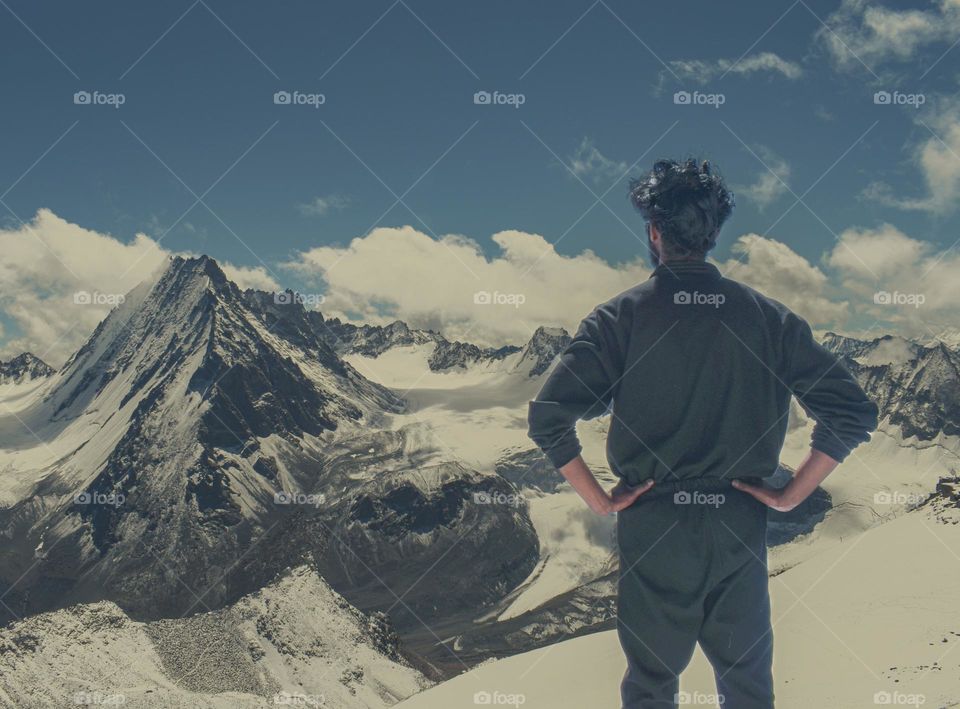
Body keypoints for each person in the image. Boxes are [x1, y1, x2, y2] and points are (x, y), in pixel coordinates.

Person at [526, 158, 879, 708]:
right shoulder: (770, 319)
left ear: (653, 231)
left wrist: (599, 499)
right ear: (714, 234)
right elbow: (853, 413)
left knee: (650, 686)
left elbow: (548, 416)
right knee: (747, 687)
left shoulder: (618, 318)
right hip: (739, 520)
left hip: (655, 523)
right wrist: (789, 496)